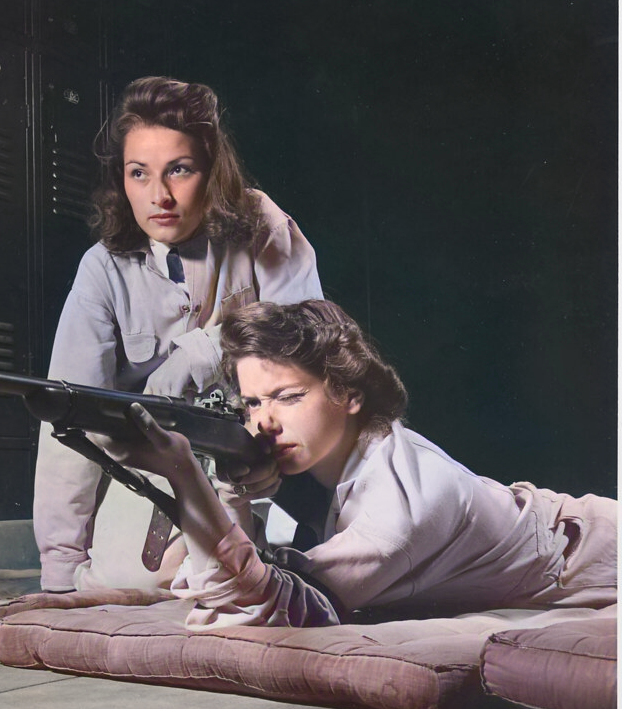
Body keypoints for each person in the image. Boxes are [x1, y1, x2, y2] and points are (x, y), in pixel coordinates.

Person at [106, 300, 618, 628]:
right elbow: (245, 569)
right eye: (253, 403)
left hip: (598, 554)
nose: (264, 423)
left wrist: (186, 475)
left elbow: (260, 608)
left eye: (286, 397)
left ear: (349, 393)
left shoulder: (399, 510)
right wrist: (237, 487)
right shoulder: (345, 452)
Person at [34, 76, 324, 592]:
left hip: (277, 450)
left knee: (351, 559)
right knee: (133, 582)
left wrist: (203, 351)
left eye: (180, 170)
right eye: (138, 173)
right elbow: (69, 420)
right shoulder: (101, 269)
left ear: (212, 172)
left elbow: (310, 338)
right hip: (165, 461)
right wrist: (57, 575)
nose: (159, 196)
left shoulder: (260, 223)